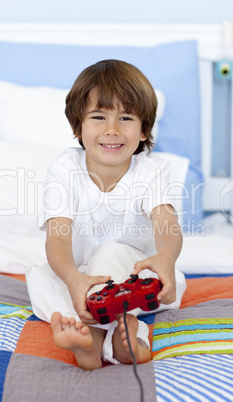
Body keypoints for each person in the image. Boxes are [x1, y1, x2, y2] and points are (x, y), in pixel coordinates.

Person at [26, 59, 186, 370]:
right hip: (84, 275)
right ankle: (108, 339)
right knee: (39, 277)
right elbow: (58, 238)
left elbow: (166, 223)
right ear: (78, 127)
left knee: (110, 252)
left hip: (137, 277)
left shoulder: (153, 172)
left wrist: (166, 258)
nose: (111, 130)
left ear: (144, 130)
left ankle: (105, 342)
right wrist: (73, 280)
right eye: (98, 117)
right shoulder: (64, 169)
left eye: (125, 118)